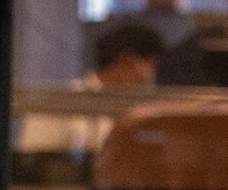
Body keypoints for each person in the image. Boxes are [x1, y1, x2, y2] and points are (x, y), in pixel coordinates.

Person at [15, 19, 166, 158]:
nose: (150, 74)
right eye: (150, 64)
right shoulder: (63, 102)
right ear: (125, 62)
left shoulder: (137, 105)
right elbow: (34, 157)